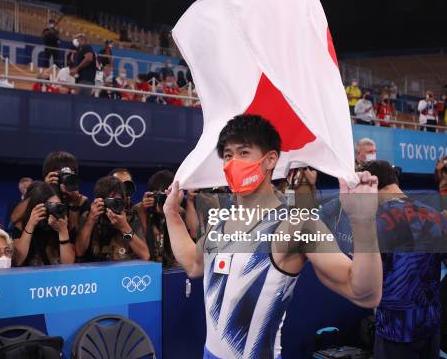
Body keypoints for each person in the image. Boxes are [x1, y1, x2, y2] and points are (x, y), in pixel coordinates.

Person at [164, 114, 382, 359]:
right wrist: (171, 214)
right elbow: (193, 264)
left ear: (270, 160)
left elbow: (365, 292)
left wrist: (363, 221)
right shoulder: (220, 223)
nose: (233, 162)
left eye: (243, 152)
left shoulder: (297, 225)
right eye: (227, 155)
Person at [359, 160, 445, 359]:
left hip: (394, 333)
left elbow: (363, 283)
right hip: (430, 329)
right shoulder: (436, 216)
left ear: (371, 185)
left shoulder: (375, 224)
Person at [76, 176, 149, 262]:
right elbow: (79, 252)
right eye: (111, 200)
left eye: (118, 200)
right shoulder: (89, 216)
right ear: (101, 201)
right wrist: (91, 221)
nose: (115, 204)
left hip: (123, 272)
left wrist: (124, 227)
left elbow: (145, 255)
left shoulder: (130, 218)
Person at [12, 182, 75, 266]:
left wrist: (63, 232)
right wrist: (30, 225)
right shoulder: (22, 225)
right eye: (50, 206)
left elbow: (68, 265)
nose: (53, 210)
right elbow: (17, 260)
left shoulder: (62, 224)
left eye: (58, 206)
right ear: (36, 206)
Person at [136, 170, 186, 268]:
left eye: (165, 196)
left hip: (171, 266)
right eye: (158, 196)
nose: (162, 200)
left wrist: (171, 211)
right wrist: (142, 211)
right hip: (147, 267)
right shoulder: (140, 210)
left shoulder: (178, 211)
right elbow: (145, 253)